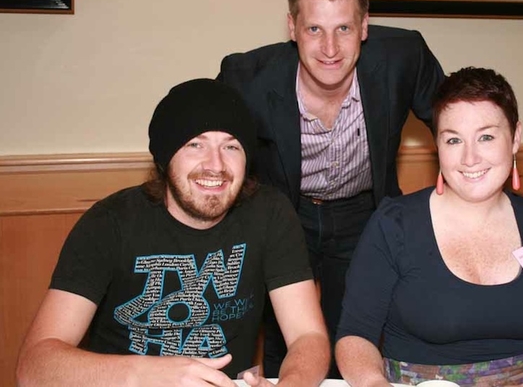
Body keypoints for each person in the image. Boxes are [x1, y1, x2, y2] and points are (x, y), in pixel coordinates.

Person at [216, 0, 444, 377]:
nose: (330, 48)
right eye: (314, 29)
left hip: (362, 212)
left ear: (364, 26)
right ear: (292, 28)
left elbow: (455, 113)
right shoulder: (247, 77)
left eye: (343, 28)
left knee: (350, 334)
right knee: (288, 335)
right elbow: (201, 136)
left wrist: (473, 166)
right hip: (285, 212)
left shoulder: (403, 57)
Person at [15, 78, 330, 387]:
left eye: (231, 146)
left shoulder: (270, 214)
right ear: (165, 158)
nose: (216, 165)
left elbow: (308, 336)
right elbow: (35, 367)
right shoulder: (109, 224)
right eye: (195, 144)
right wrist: (149, 375)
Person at [335, 67, 523, 386]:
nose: (470, 158)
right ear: (437, 146)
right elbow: (355, 336)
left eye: (486, 136)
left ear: (515, 138)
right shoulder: (394, 226)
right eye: (454, 139)